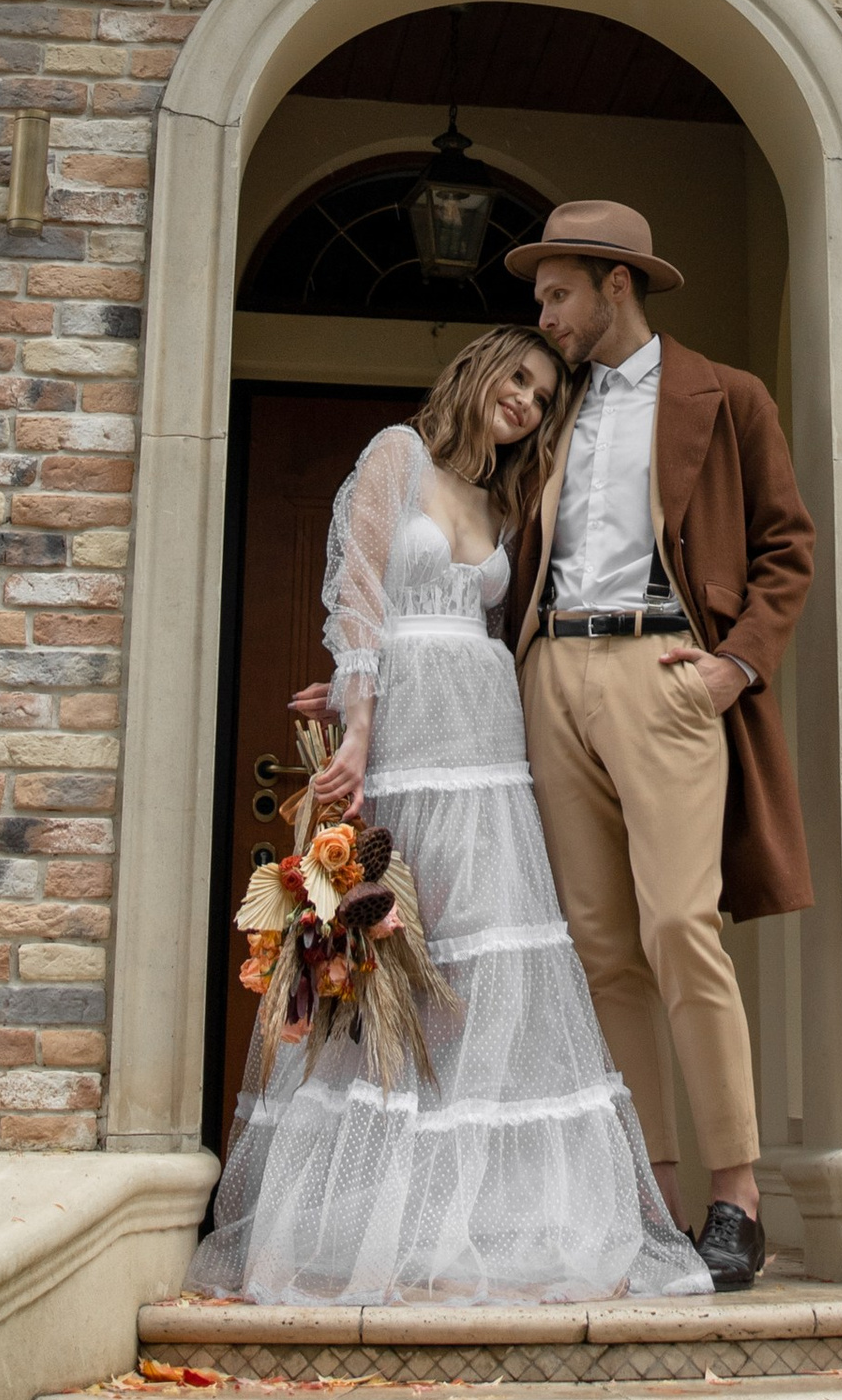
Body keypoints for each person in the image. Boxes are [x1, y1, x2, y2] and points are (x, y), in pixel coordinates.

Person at [192, 325, 709, 1305]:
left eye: (543, 394)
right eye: (516, 377)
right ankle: (375, 1221)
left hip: (490, 746)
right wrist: (354, 732)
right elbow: (358, 594)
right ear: (477, 372)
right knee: (392, 973)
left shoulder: (503, 499)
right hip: (410, 746)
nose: (525, 399)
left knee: (486, 969)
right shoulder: (397, 452)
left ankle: (479, 1221)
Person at [504, 200, 815, 1292]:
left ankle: (735, 1196)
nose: (542, 316)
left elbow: (787, 547)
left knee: (679, 923)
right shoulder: (549, 408)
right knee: (600, 947)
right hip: (552, 671)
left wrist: (736, 664)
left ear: (614, 283)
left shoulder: (726, 398)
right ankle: (647, 1195)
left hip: (665, 670)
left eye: (556, 294)